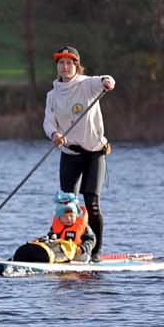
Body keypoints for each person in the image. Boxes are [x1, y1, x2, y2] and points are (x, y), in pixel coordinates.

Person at [43, 44, 115, 262]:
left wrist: (107, 82)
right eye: (61, 63)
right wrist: (55, 134)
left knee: (91, 203)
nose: (65, 67)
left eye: (69, 63)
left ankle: (94, 252)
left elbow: (104, 79)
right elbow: (48, 122)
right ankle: (61, 246)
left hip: (94, 153)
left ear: (76, 66)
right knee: (66, 203)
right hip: (70, 153)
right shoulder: (52, 95)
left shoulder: (87, 85)